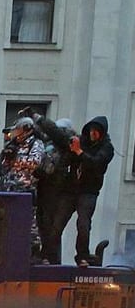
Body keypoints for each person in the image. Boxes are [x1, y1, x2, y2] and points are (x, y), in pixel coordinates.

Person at [33, 113, 114, 265]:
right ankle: (47, 255)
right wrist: (39, 119)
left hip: (88, 191)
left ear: (102, 133)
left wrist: (79, 152)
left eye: (96, 131)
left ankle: (82, 255)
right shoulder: (80, 141)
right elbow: (58, 135)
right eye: (91, 130)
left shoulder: (107, 148)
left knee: (83, 224)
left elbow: (96, 164)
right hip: (71, 190)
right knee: (57, 224)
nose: (92, 134)